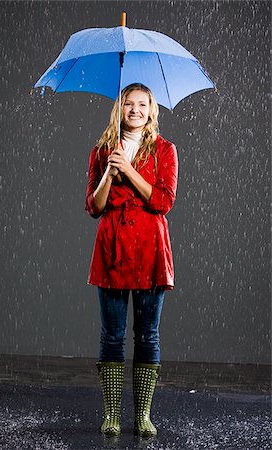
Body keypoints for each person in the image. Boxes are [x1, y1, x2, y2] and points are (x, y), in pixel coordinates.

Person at [85, 83, 178, 437]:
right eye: (129, 104)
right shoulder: (101, 150)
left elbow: (163, 202)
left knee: (147, 335)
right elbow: (94, 207)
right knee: (112, 335)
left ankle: (142, 416)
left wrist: (131, 169)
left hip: (151, 249)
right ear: (119, 109)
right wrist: (110, 171)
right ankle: (112, 415)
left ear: (152, 110)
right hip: (112, 248)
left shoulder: (165, 151)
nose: (135, 110)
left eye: (142, 104)